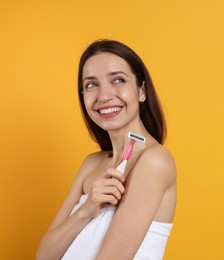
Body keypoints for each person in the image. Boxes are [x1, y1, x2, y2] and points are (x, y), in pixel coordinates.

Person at [36, 39, 177, 260]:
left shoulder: (154, 162)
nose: (103, 96)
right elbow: (44, 255)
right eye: (91, 84)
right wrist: (86, 209)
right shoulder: (92, 163)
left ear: (142, 91)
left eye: (118, 80)